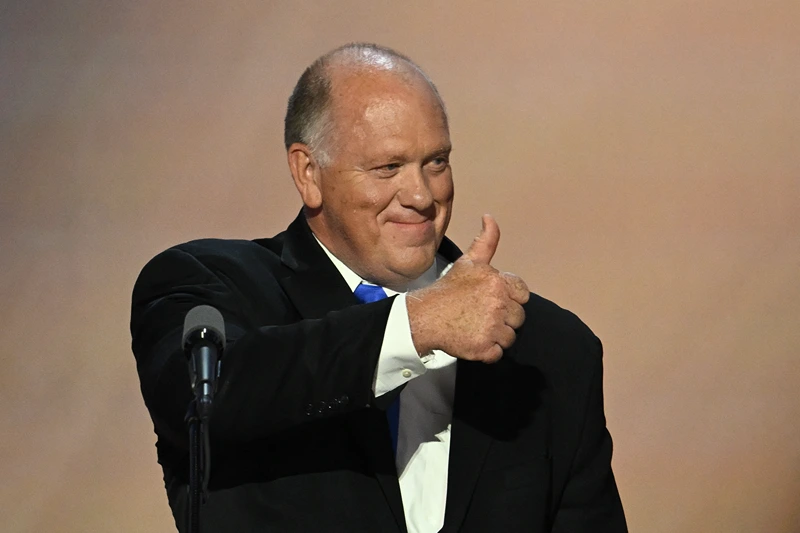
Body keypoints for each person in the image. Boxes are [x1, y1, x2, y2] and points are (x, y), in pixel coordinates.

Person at [130, 43, 627, 533]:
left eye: (436, 162)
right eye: (388, 167)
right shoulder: (211, 285)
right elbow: (208, 404)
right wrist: (417, 325)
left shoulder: (552, 349)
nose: (420, 195)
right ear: (309, 174)